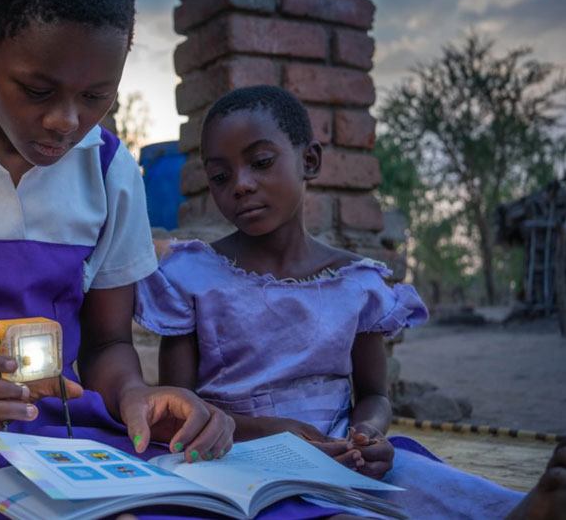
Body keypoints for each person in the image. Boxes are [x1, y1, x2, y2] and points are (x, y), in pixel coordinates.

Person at [0, 0, 362, 519]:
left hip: (67, 437)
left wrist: (134, 395)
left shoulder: (108, 168)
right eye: (37, 90)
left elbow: (107, 343)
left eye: (97, 96)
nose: (66, 122)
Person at [134, 84, 564, 519]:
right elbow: (182, 409)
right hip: (237, 456)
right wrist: (270, 432)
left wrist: (369, 435)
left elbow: (374, 394)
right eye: (220, 176)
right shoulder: (191, 276)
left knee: (426, 482)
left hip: (344, 457)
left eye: (261, 162)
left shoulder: (357, 282)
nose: (241, 185)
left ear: (310, 161)